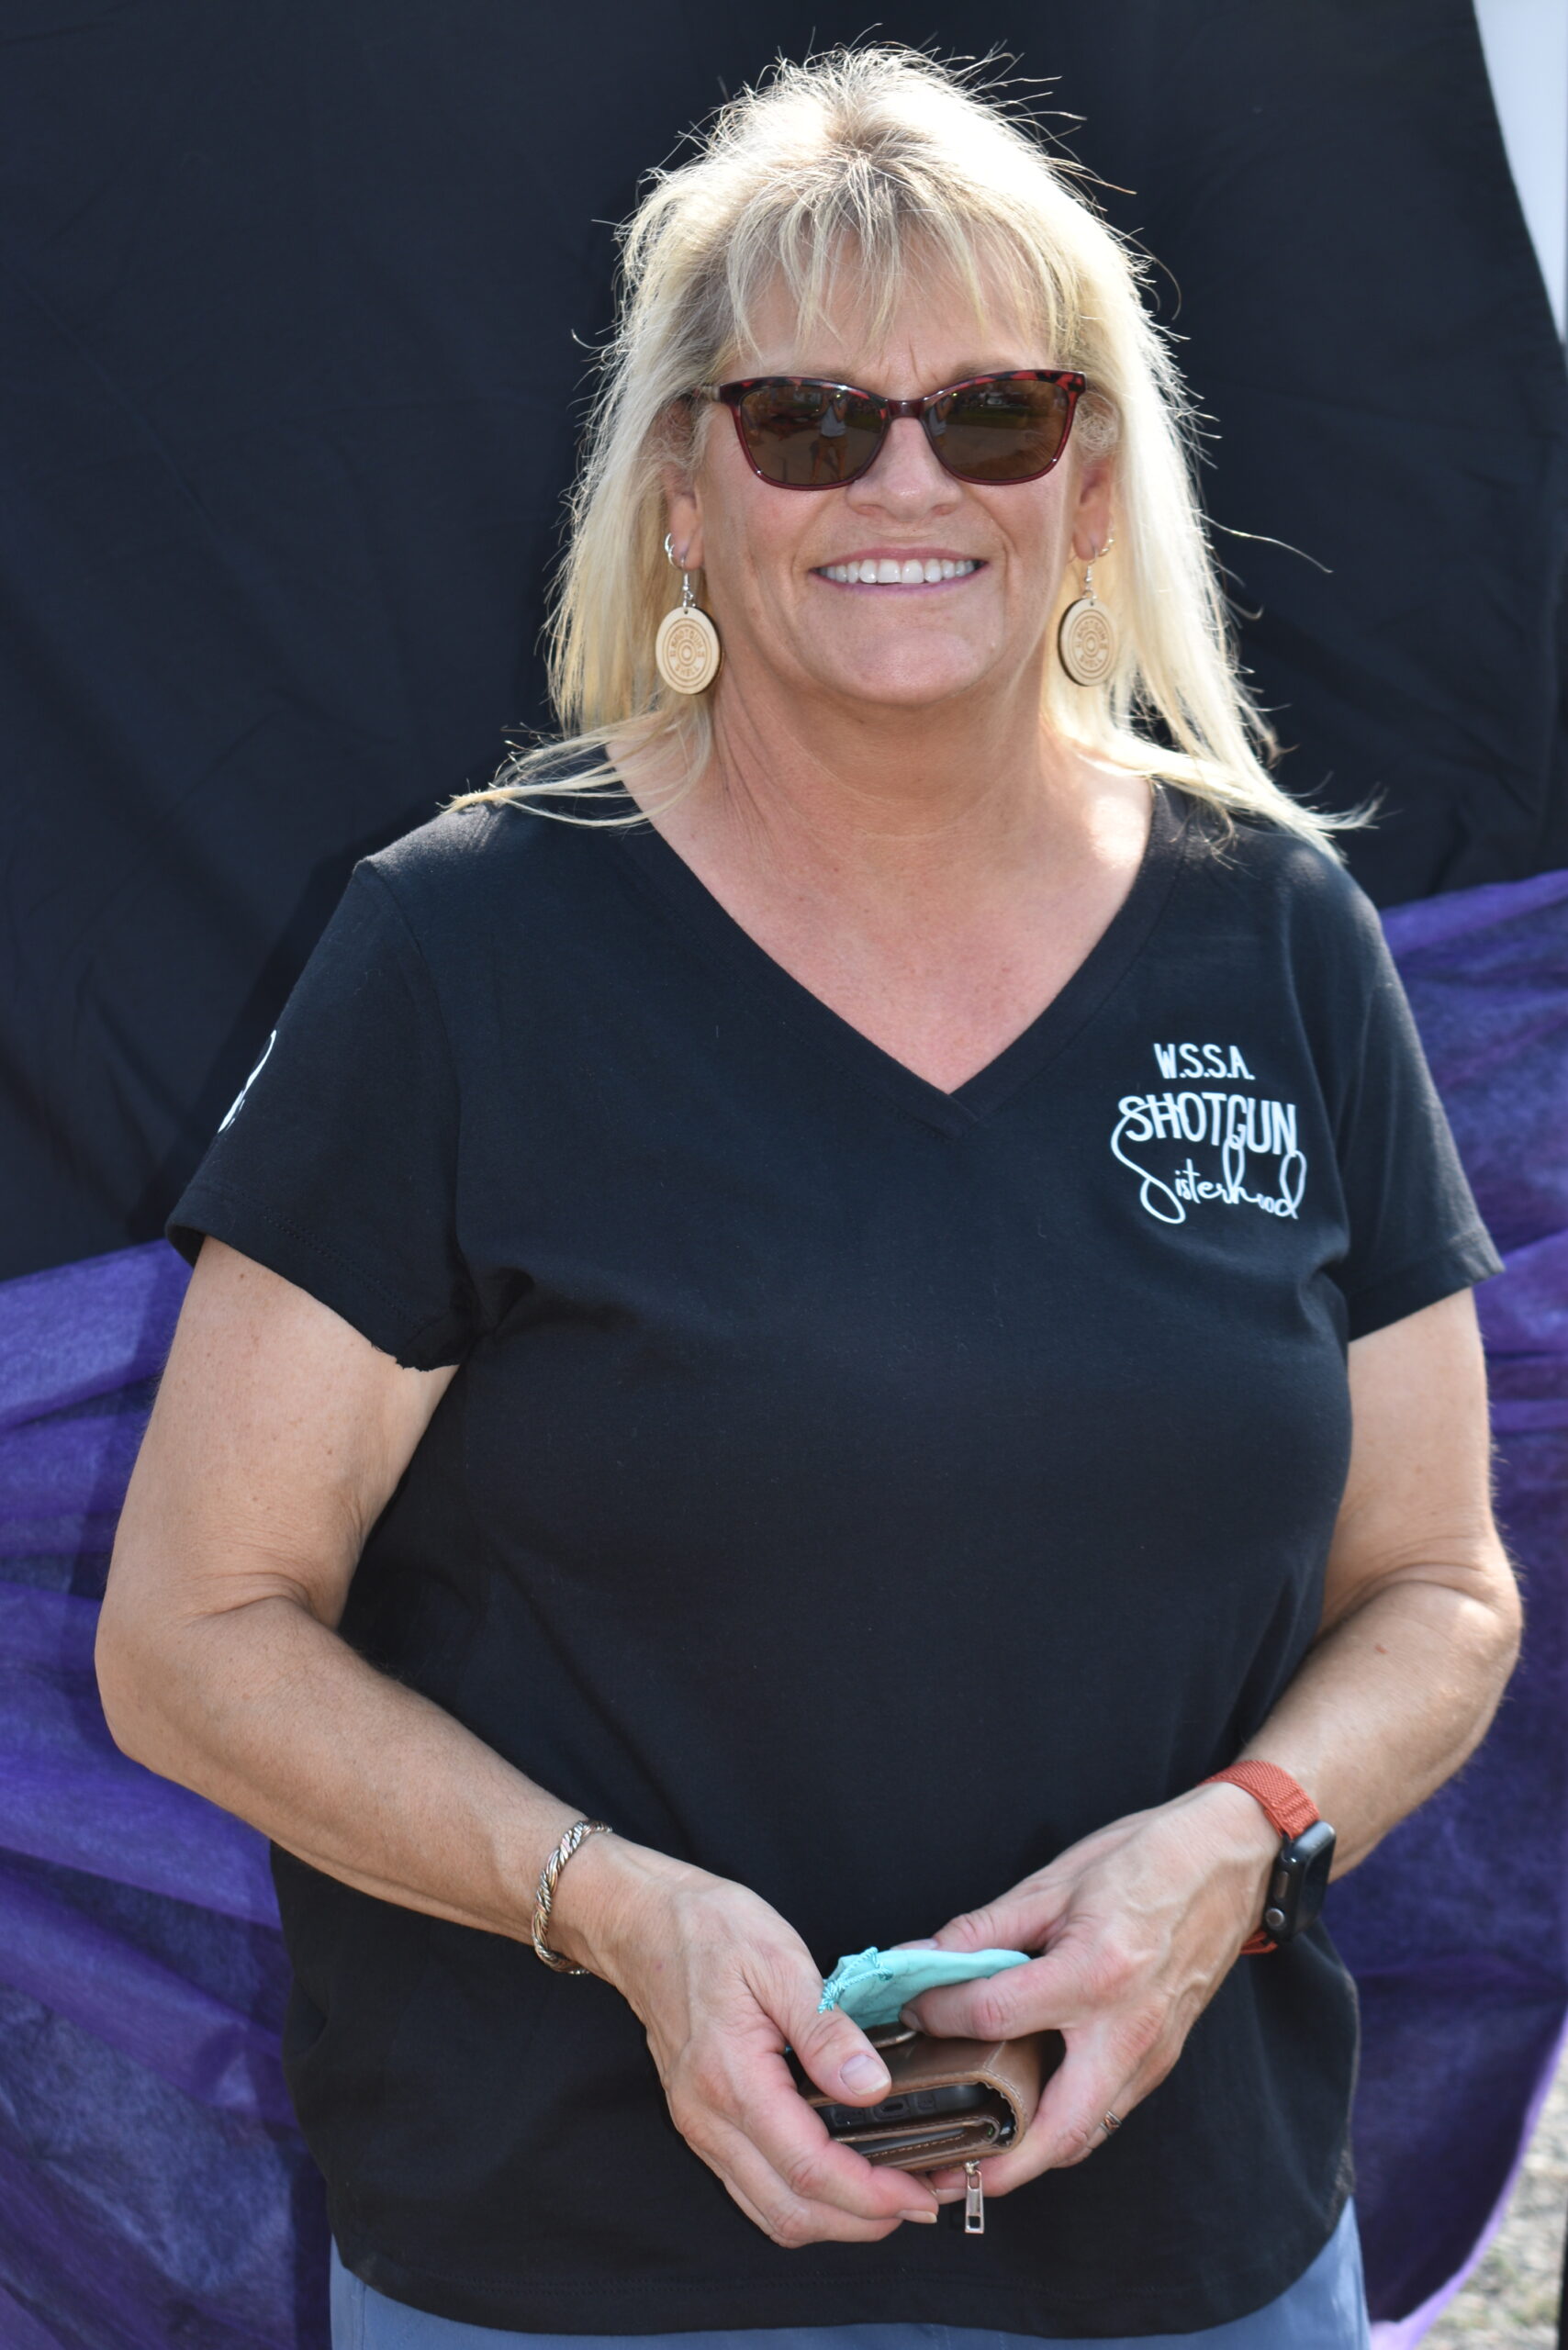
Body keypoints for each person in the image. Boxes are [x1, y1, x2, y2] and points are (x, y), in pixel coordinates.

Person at [95, 45, 1521, 2350]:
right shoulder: (458, 951)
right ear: (681, 491)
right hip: (561, 2271)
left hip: (1189, 2258)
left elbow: (1436, 1587)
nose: (905, 479)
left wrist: (1230, 1843)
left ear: (1088, 484)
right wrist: (618, 1912)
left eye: (992, 413)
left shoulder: (1271, 932)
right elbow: (191, 1634)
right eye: (808, 418)